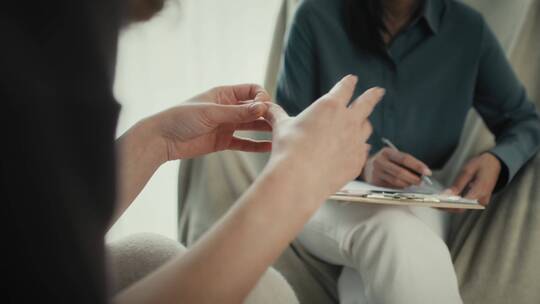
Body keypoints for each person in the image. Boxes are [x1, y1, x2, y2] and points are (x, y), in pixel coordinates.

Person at [4, 0, 384, 303]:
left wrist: (157, 139)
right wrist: (296, 179)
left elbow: (36, 242)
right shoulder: (39, 35)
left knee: (160, 257)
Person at [276, 0, 540, 303]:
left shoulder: (467, 29)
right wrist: (362, 164)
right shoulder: (316, 16)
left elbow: (523, 122)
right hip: (322, 192)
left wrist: (497, 160)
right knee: (394, 232)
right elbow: (289, 137)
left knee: (370, 274)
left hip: (420, 198)